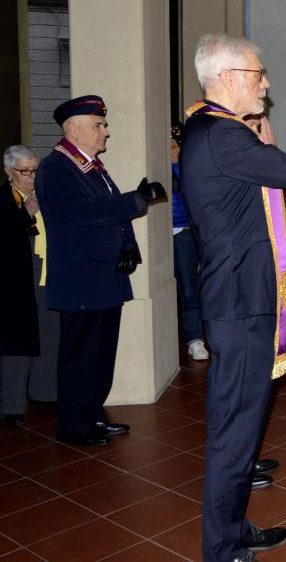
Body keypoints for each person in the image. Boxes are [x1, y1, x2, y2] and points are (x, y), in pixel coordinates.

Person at [179, 34, 286, 562]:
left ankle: (232, 527)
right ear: (227, 79)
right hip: (241, 304)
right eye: (258, 74)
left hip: (247, 297)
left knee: (244, 433)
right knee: (233, 436)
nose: (266, 83)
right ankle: (220, 549)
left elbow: (249, 211)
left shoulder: (213, 130)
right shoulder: (221, 134)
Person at [36, 96, 166, 448]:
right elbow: (88, 212)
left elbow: (112, 217)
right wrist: (136, 200)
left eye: (104, 124)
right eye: (99, 125)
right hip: (81, 281)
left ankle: (92, 413)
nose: (106, 131)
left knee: (101, 353)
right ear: (73, 128)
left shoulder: (90, 166)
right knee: (80, 356)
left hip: (105, 278)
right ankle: (72, 425)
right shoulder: (56, 168)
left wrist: (128, 250)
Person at [1, 145, 58, 426]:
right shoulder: (4, 198)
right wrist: (24, 214)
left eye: (36, 170)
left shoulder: (44, 194)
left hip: (47, 272)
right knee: (18, 341)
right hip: (17, 279)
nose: (32, 176)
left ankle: (44, 392)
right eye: (26, 171)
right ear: (9, 172)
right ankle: (11, 404)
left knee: (49, 333)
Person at [170, 123, 209, 361]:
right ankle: (190, 337)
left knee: (191, 287)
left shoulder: (188, 165)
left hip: (186, 230)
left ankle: (196, 338)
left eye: (175, 144)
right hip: (165, 231)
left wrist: (177, 164)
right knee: (180, 288)